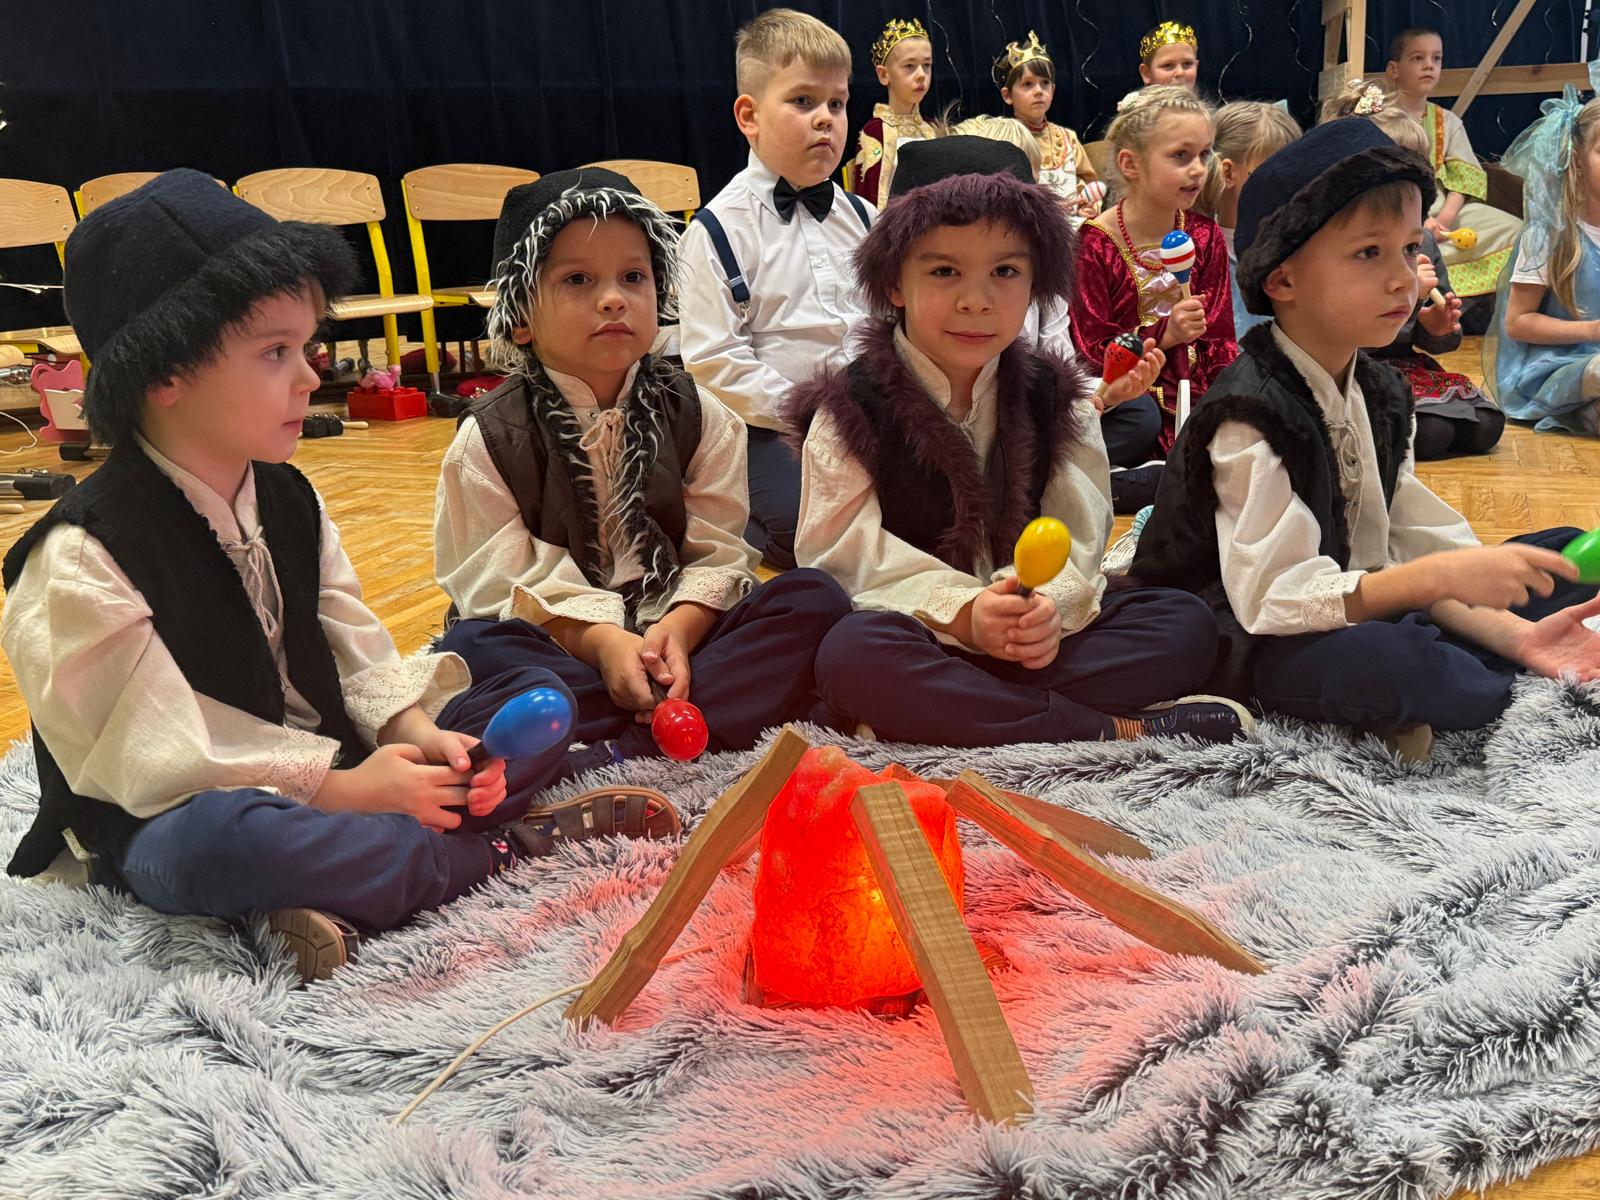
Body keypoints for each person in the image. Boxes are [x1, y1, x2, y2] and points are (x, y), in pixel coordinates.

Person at [0, 171, 670, 984]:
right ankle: (494, 847)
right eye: (275, 353)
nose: (312, 378)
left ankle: (379, 861)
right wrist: (345, 792)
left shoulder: (289, 496)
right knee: (224, 844)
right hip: (176, 815)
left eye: (306, 347)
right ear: (164, 373)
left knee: (528, 689)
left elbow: (355, 648)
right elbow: (157, 758)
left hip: (336, 765)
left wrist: (416, 738)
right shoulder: (77, 558)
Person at [1131, 119, 1600, 750]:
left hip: (1356, 590)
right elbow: (1273, 600)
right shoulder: (1248, 413)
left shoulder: (1380, 390)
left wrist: (1515, 633)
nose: (1404, 278)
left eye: (1409, 249)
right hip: (1248, 632)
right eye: (1368, 253)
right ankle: (1423, 675)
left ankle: (1459, 660)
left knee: (1561, 556)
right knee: (1401, 665)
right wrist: (1435, 585)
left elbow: (1407, 541)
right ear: (1283, 280)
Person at [790, 166, 1251, 749]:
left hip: (1033, 638)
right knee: (852, 655)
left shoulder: (1056, 396)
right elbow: (838, 549)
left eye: (1005, 272)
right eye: (944, 271)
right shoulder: (850, 405)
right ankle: (1108, 728)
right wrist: (966, 612)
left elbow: (1080, 527)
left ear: (1035, 284)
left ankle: (952, 709)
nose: (976, 302)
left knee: (1184, 624)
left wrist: (1040, 608)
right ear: (894, 285)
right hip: (918, 626)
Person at [435, 167, 852, 780]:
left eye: (633, 277)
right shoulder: (490, 437)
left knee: (813, 597)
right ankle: (694, 716)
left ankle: (617, 734)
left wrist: (678, 631)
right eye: (578, 280)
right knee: (470, 649)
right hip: (561, 639)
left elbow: (719, 549)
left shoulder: (702, 414)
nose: (613, 298)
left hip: (677, 629)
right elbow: (497, 578)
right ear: (521, 315)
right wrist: (604, 643)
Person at [677, 8, 871, 568]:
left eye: (837, 104)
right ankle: (722, 514)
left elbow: (890, 322)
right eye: (803, 101)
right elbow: (715, 360)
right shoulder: (716, 231)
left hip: (871, 411)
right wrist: (812, 411)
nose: (826, 120)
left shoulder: (866, 218)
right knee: (806, 521)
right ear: (749, 116)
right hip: (773, 425)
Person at [1072, 85, 1237, 509]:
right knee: (1139, 422)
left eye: (1204, 154)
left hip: (1192, 389)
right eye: (1180, 156)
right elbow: (1091, 347)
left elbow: (1220, 338)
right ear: (1131, 164)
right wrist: (1165, 334)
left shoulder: (1205, 236)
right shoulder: (1096, 244)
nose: (1198, 169)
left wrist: (1222, 397)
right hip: (1130, 395)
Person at [1385, 26, 1523, 300]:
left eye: (1436, 58)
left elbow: (1464, 179)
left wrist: (1444, 219)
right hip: (1396, 208)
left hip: (1444, 211)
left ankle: (1476, 302)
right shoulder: (1381, 118)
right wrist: (1423, 220)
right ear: (1393, 69)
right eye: (1418, 58)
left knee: (1515, 229)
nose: (1429, 65)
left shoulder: (1447, 121)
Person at [1495, 81, 1600, 436]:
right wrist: (1594, 330)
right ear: (1578, 160)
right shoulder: (1549, 234)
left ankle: (1587, 413)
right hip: (1550, 370)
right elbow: (1517, 322)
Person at [991, 30, 1099, 215]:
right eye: (1028, 84)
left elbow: (1087, 184)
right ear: (1007, 95)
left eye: (1045, 83)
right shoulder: (1003, 141)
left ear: (1053, 90)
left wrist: (1087, 206)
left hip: (1073, 225)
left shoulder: (1068, 139)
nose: (1039, 91)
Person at [849, 17, 938, 209]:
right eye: (910, 66)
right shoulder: (875, 132)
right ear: (884, 74)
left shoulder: (933, 129)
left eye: (927, 65)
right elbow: (869, 196)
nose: (921, 75)